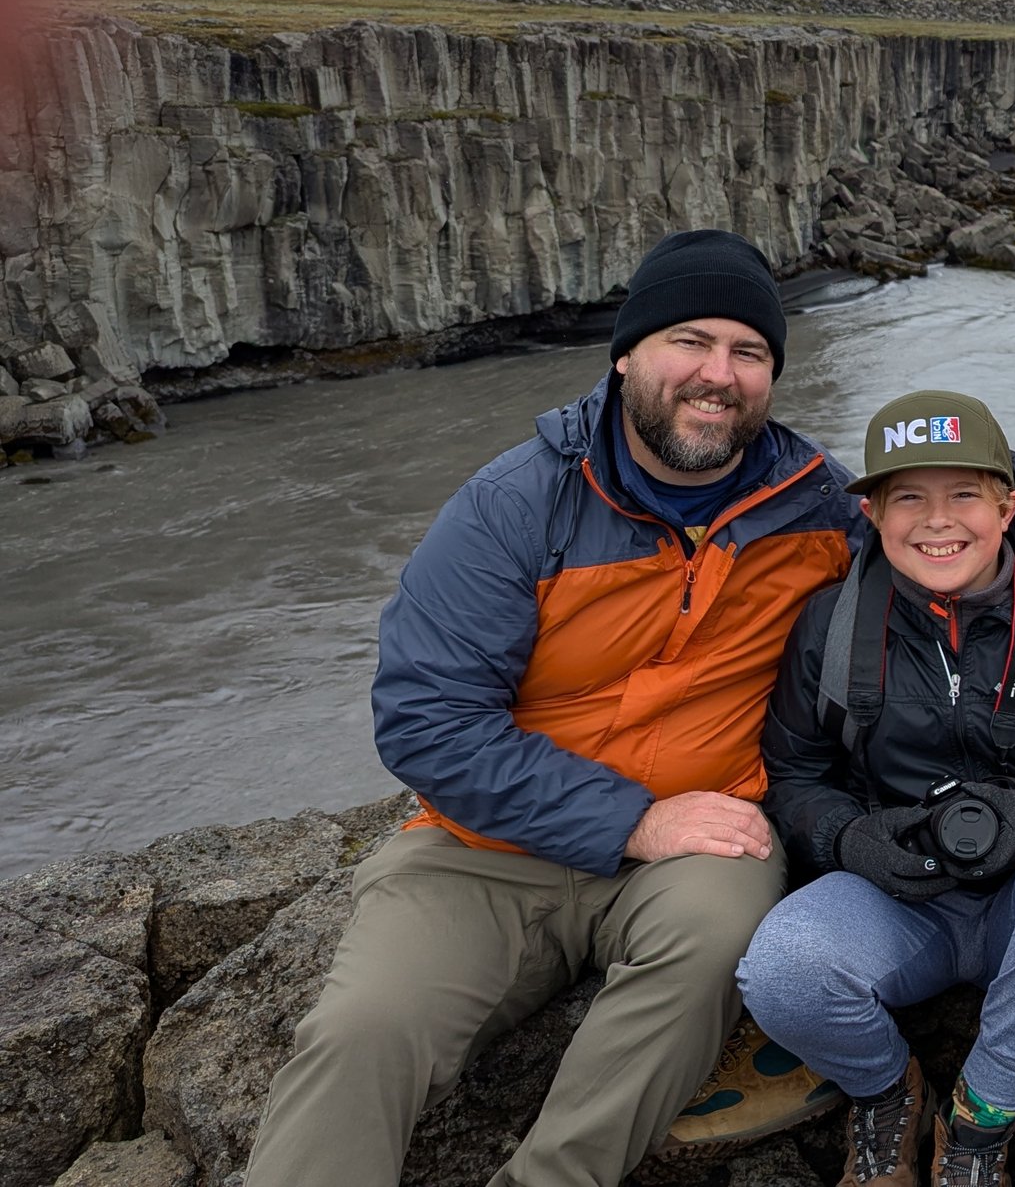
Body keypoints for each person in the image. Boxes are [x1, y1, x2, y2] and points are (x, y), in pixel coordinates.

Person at [244, 229, 859, 1187]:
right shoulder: (514, 505)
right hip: (484, 850)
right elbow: (427, 720)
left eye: (749, 353)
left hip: (706, 838)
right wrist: (632, 820)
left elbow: (944, 544)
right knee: (365, 1028)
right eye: (688, 342)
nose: (718, 374)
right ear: (625, 357)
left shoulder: (815, 508)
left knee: (710, 939)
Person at [734, 389, 1015, 1187]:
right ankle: (890, 1093)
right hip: (896, 899)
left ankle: (979, 1123)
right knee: (781, 971)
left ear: (1007, 506)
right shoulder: (832, 625)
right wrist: (849, 838)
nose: (938, 522)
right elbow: (794, 774)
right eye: (908, 499)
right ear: (872, 515)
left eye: (964, 494)